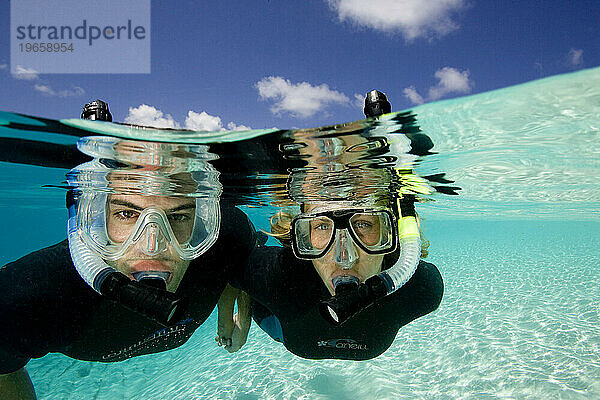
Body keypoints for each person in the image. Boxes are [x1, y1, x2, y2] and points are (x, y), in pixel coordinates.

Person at [0, 136, 255, 399]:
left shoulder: (228, 235)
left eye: (178, 217)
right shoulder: (27, 293)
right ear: (96, 220)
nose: (152, 247)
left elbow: (234, 264)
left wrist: (233, 321)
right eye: (126, 214)